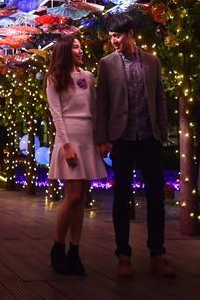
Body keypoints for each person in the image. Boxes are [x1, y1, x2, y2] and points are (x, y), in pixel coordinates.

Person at [95, 14, 175, 278]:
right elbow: (102, 102)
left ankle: (157, 253)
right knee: (121, 196)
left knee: (156, 197)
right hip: (122, 138)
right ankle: (123, 254)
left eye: (117, 36)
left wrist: (162, 130)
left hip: (149, 137)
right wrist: (103, 138)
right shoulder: (106, 64)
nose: (113, 41)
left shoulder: (152, 61)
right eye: (111, 37)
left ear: (130, 33)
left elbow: (160, 97)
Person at [45, 36, 107, 276]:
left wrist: (100, 139)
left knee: (81, 197)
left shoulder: (88, 76)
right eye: (75, 46)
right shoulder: (54, 78)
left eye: (81, 46)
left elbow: (94, 108)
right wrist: (66, 145)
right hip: (68, 137)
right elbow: (56, 114)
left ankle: (75, 250)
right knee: (72, 196)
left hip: (87, 137)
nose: (81, 50)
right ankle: (58, 246)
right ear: (64, 51)